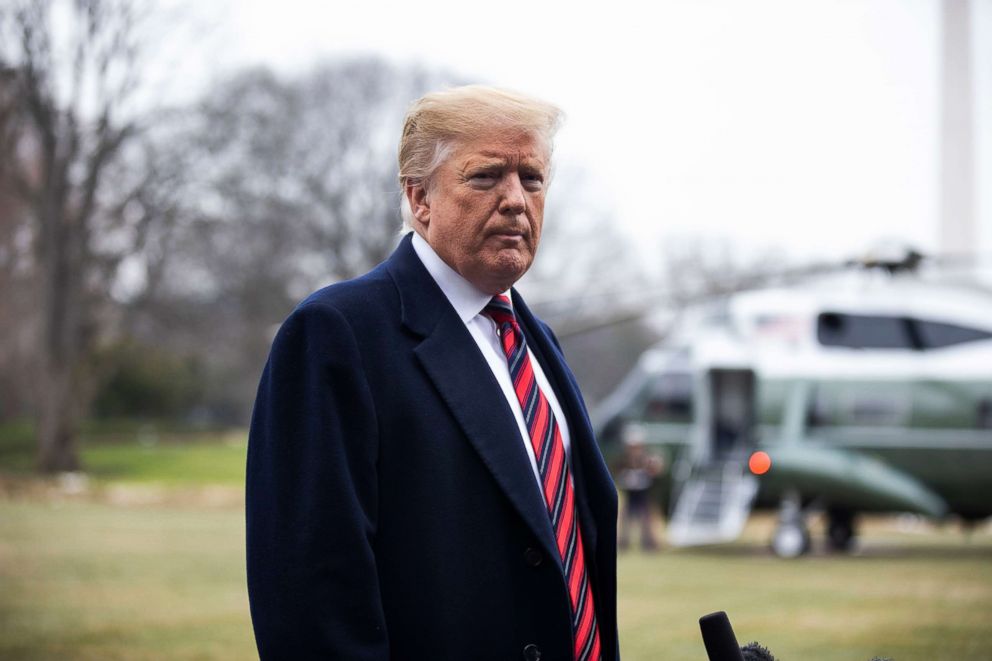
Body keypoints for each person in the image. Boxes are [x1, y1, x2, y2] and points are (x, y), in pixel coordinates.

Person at [246, 85, 619, 661]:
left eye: (533, 178)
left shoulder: (536, 340)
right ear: (419, 197)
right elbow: (310, 599)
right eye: (486, 176)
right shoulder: (336, 334)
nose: (516, 200)